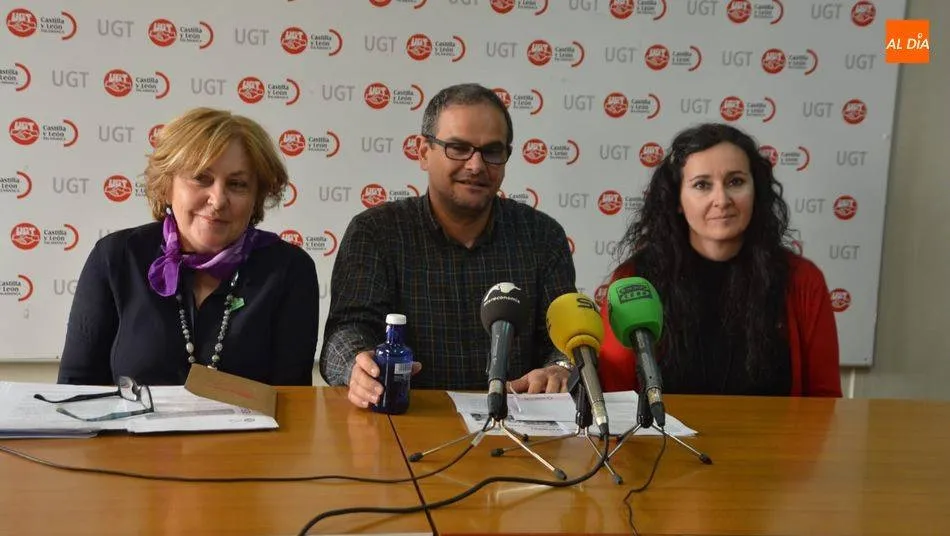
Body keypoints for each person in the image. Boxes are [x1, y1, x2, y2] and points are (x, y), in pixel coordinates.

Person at [320, 83, 577, 408]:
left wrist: (561, 368)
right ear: (423, 152)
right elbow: (345, 333)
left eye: (492, 151)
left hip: (517, 429)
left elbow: (565, 338)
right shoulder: (376, 232)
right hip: (406, 425)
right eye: (458, 148)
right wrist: (357, 368)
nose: (476, 165)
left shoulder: (542, 237)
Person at [58, 107, 319, 386]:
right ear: (167, 186)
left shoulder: (289, 270)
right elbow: (75, 392)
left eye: (237, 184)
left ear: (256, 197)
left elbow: (293, 402)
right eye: (201, 178)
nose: (218, 200)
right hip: (129, 431)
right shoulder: (116, 258)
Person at [598, 123, 841, 397]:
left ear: (756, 190)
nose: (721, 199)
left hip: (774, 441)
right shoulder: (634, 282)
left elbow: (825, 403)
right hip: (664, 442)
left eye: (735, 182)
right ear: (677, 199)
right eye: (702, 185)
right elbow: (615, 396)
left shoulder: (802, 280)